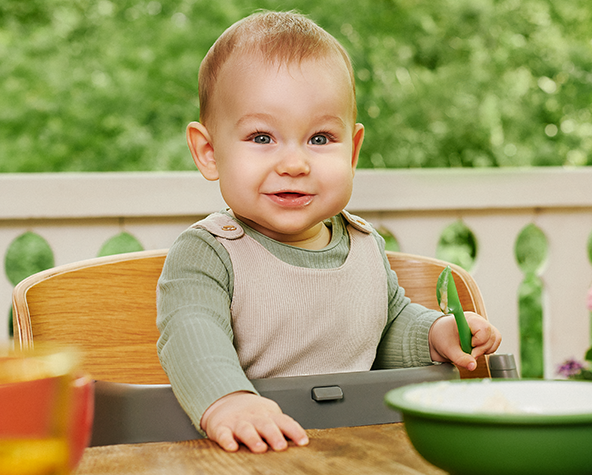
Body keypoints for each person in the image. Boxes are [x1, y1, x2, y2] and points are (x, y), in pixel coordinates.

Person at [156, 10, 502, 454]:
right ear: (209, 152)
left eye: (319, 138)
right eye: (262, 137)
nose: (295, 163)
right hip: (252, 449)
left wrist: (436, 335)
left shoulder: (363, 244)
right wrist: (229, 403)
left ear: (353, 150)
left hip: (361, 444)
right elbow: (191, 332)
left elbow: (386, 326)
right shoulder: (209, 252)